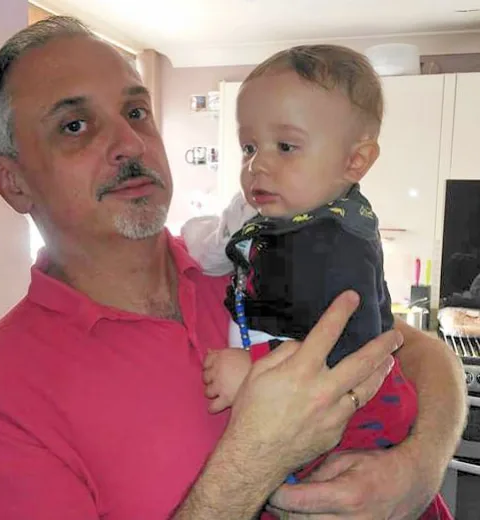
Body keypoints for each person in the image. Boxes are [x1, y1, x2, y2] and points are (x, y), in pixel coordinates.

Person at [0, 16, 466, 520]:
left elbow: (418, 352)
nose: (130, 143)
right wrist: (256, 456)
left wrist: (418, 468)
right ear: (12, 180)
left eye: (136, 113)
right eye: (75, 125)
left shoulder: (244, 262)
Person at [182, 45, 448, 518]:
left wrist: (253, 368)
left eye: (285, 147)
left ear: (355, 161)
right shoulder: (297, 222)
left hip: (359, 427)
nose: (257, 165)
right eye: (249, 147)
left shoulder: (332, 244)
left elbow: (354, 346)